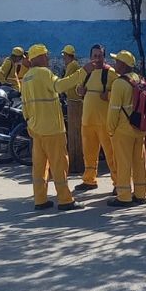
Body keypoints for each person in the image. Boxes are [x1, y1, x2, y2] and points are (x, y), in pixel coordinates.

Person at [19, 44, 81, 212]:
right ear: (38, 57)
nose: (48, 58)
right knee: (59, 164)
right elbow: (60, 86)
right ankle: (65, 200)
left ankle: (40, 199)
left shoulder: (26, 78)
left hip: (36, 129)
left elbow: (24, 106)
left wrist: (30, 123)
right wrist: (83, 73)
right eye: (46, 55)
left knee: (39, 167)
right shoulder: (44, 73)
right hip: (53, 129)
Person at [60, 44, 116, 191]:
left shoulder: (110, 73)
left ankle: (119, 183)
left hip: (105, 121)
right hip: (87, 120)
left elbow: (122, 93)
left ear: (104, 57)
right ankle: (89, 180)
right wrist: (80, 90)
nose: (97, 59)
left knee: (112, 154)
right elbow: (79, 89)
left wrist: (109, 95)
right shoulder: (86, 72)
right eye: (95, 56)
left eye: (100, 55)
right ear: (90, 57)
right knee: (89, 154)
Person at [106, 50, 146, 208]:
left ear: (123, 65)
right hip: (139, 127)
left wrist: (110, 129)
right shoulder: (139, 79)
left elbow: (114, 110)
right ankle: (140, 194)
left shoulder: (119, 83)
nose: (114, 63)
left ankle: (124, 196)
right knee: (139, 161)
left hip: (123, 130)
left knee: (123, 163)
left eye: (117, 61)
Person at [61, 44, 85, 174]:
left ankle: (76, 163)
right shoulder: (73, 65)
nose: (63, 58)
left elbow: (66, 81)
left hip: (75, 101)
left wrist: (59, 88)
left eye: (64, 55)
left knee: (75, 133)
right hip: (73, 100)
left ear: (68, 56)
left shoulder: (72, 66)